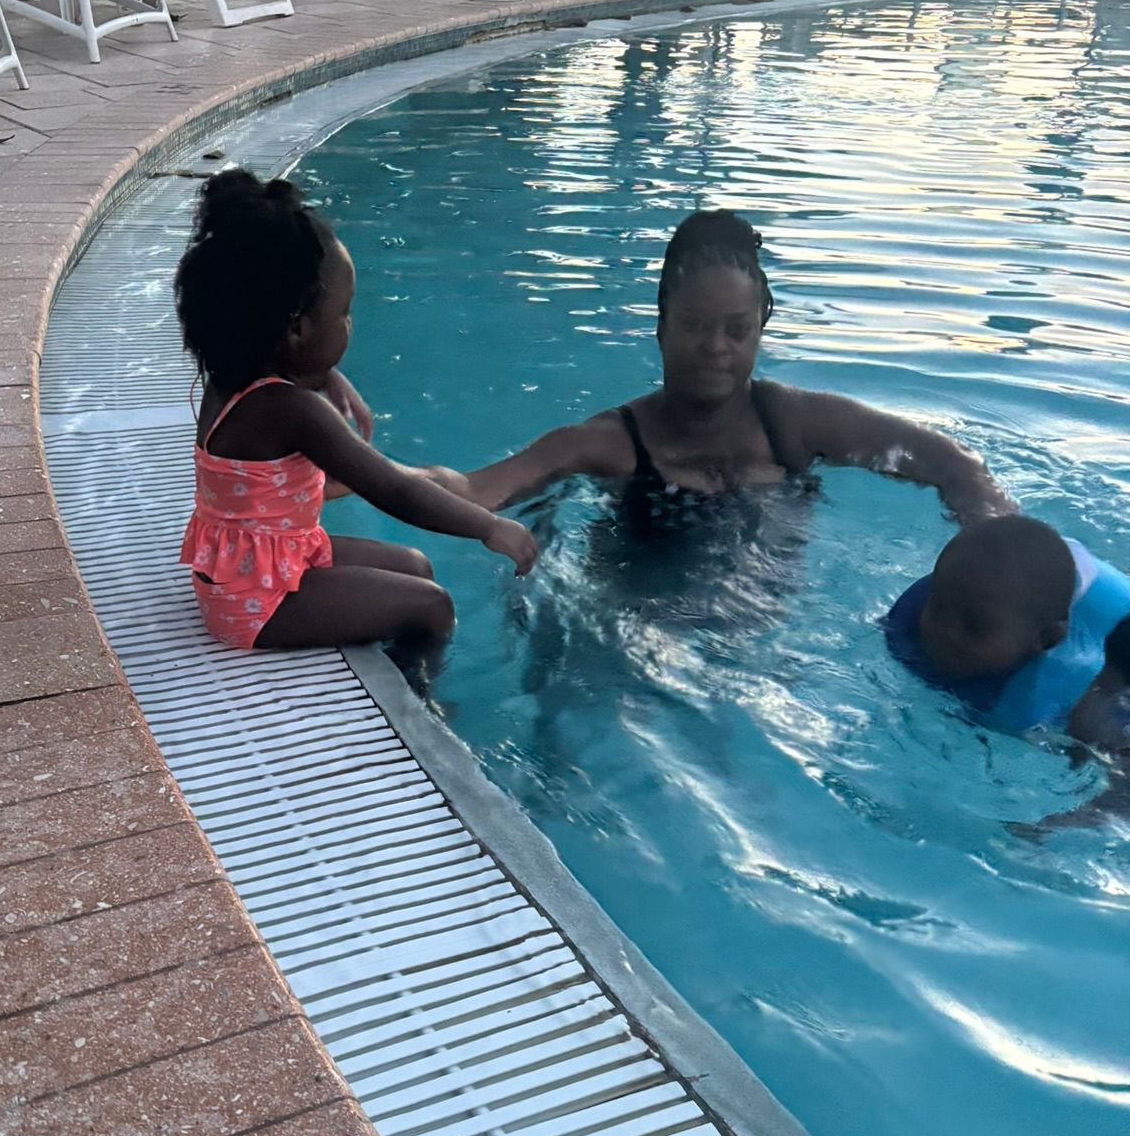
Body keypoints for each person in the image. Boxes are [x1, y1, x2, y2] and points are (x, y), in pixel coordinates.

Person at [174, 170, 537, 655]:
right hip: (258, 601)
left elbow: (280, 368)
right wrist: (488, 527)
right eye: (343, 313)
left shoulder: (232, 378)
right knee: (432, 605)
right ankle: (420, 694)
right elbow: (393, 488)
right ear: (297, 331)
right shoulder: (292, 409)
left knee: (414, 565)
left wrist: (328, 375)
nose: (349, 323)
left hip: (260, 564)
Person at [462, 210, 1015, 526]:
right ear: (661, 328)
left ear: (759, 332)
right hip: (642, 636)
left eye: (736, 329)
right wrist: (374, 472)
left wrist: (989, 534)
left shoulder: (796, 424)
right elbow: (475, 488)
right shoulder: (613, 444)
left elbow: (953, 463)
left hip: (774, 653)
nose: (716, 347)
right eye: (695, 325)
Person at [884, 516, 1130, 748]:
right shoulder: (951, 594)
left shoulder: (1055, 680)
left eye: (974, 627)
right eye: (938, 609)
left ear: (1045, 640)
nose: (945, 631)